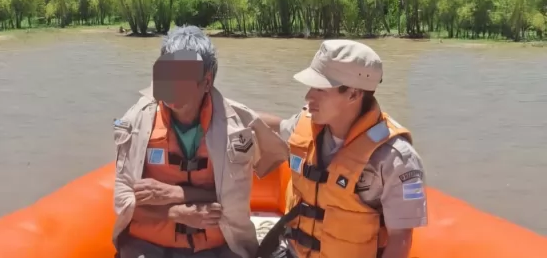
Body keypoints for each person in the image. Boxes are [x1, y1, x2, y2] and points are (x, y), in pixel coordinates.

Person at [112, 26, 289, 258]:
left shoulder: (236, 128)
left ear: (206, 82)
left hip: (216, 246)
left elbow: (231, 205)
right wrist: (175, 212)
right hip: (148, 245)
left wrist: (175, 193)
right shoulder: (136, 121)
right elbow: (123, 200)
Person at [256, 40, 427, 258]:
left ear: (354, 95)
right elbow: (278, 126)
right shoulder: (306, 124)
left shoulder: (395, 159)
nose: (308, 96)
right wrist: (230, 114)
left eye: (320, 89)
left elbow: (400, 238)